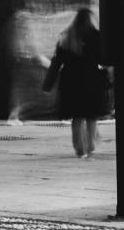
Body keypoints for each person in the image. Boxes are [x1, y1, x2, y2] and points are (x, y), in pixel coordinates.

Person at [42, 8, 109, 158]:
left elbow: (56, 62)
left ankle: (79, 148)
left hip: (71, 82)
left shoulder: (67, 37)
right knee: (91, 115)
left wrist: (48, 84)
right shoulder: (96, 37)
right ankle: (91, 145)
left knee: (77, 117)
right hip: (91, 80)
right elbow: (103, 59)